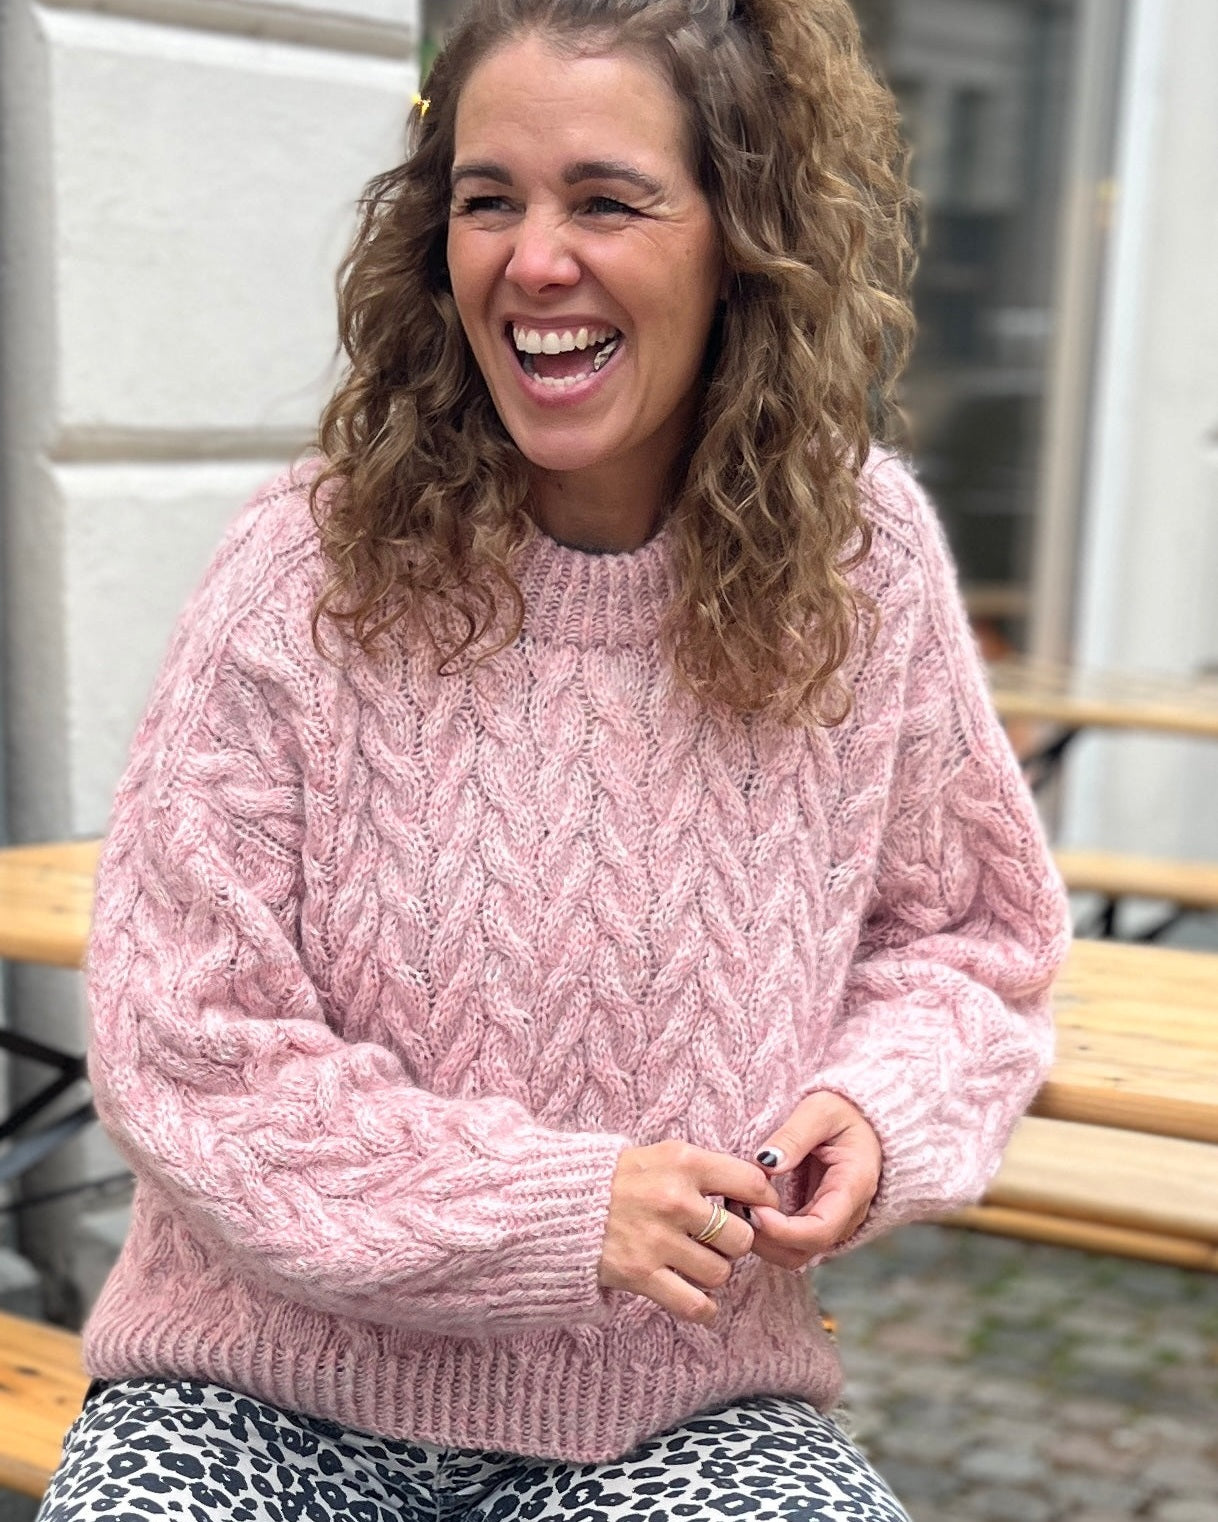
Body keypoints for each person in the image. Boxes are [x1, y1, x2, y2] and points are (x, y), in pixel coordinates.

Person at [39, 1, 1070, 1518]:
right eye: (485, 198)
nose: (532, 259)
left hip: (677, 1409)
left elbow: (970, 942)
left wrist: (877, 1101)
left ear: (742, 233)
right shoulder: (306, 568)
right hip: (258, 1388)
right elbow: (189, 1037)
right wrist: (551, 1204)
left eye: (604, 198)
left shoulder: (864, 568)